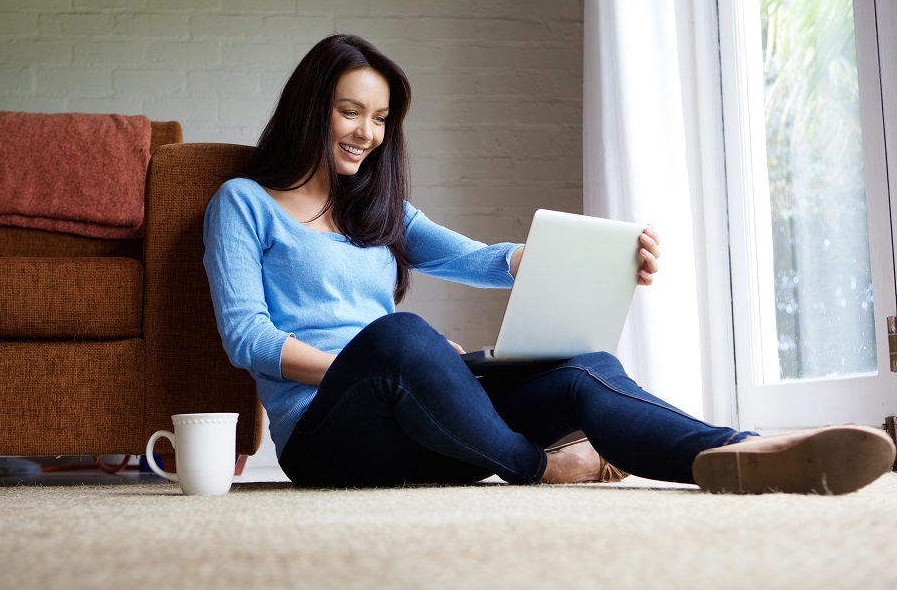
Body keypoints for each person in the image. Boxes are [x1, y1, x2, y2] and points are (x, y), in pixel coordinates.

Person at [203, 33, 895, 494]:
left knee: (581, 368)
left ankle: (743, 452)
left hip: (429, 426)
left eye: (381, 119)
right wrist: (380, 361)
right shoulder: (245, 203)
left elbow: (480, 259)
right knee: (402, 337)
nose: (368, 134)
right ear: (310, 109)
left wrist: (551, 260)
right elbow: (249, 340)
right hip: (329, 438)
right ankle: (540, 468)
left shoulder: (375, 209)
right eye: (351, 112)